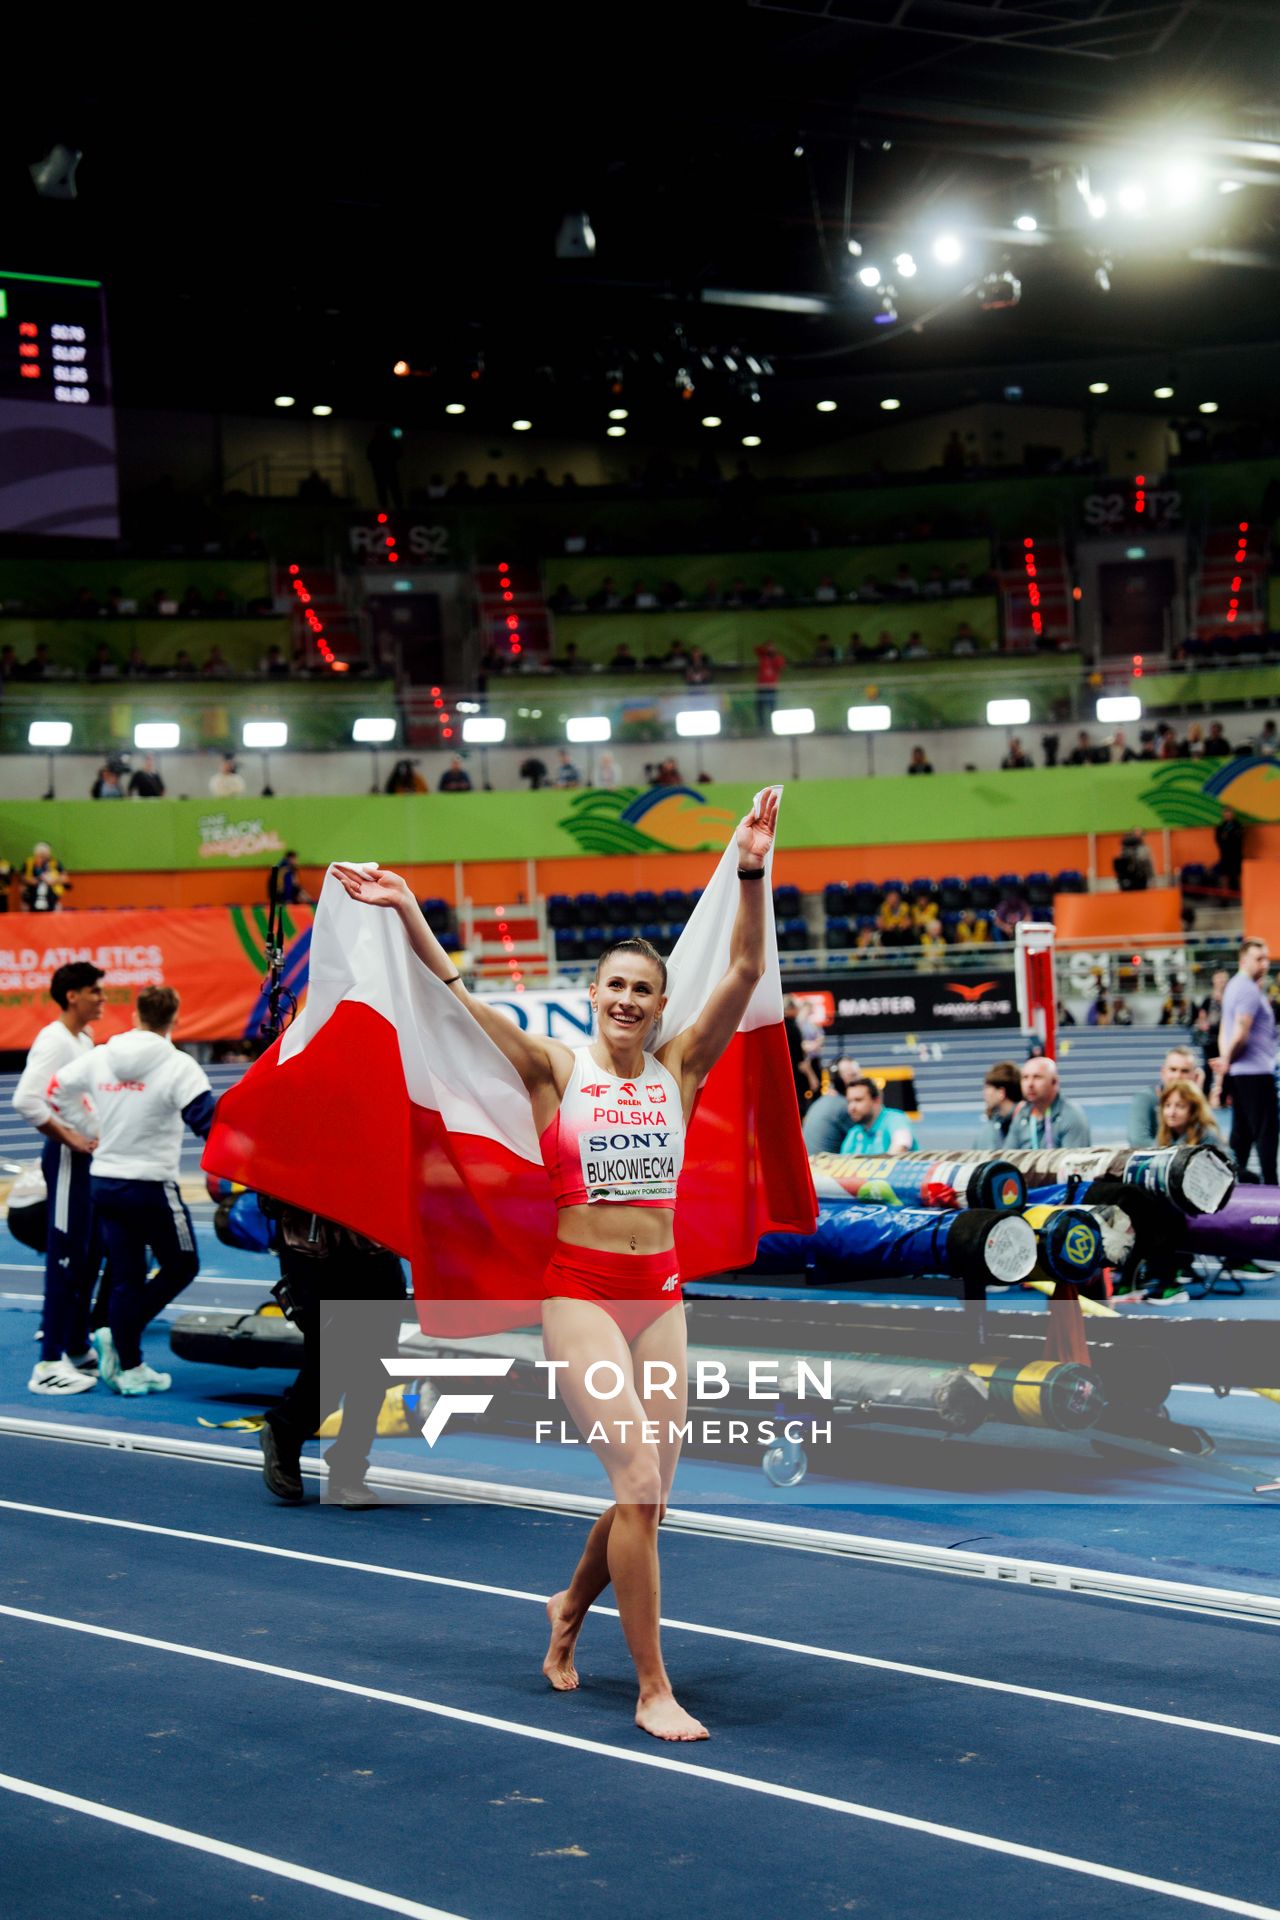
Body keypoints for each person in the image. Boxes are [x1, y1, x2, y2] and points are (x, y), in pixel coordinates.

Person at [332, 788, 781, 1743]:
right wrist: (407, 907)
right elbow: (455, 997)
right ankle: (652, 1687)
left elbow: (747, 966)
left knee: (649, 1498)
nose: (627, 1001)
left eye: (643, 991)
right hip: (581, 1295)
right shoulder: (553, 1070)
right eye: (615, 986)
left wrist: (750, 867)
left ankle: (569, 1605)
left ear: (661, 1005)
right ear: (592, 992)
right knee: (638, 1485)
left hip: (661, 1297)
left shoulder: (682, 1068)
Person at [49, 986, 215, 1397]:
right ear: (175, 1019)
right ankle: (121, 1332)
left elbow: (55, 1089)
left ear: (136, 1015)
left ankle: (131, 1366)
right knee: (183, 1265)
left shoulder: (101, 1055)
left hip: (105, 1182)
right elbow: (206, 1122)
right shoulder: (179, 1065)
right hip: (151, 1184)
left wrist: (88, 1127)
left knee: (127, 1276)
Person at [12, 962, 106, 1395]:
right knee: (65, 1256)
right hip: (68, 1160)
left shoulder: (83, 1039)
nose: (102, 998)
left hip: (89, 1162)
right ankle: (48, 1363)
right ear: (72, 996)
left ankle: (76, 1345)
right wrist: (71, 1138)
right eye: (95, 991)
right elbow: (26, 1101)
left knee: (90, 1254)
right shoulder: (54, 1040)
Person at [1215, 937, 1277, 1183]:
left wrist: (1226, 1063)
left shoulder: (1234, 986)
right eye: (1258, 959)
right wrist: (1227, 1061)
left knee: (1242, 1132)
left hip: (1241, 1071)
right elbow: (1240, 1033)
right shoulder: (1248, 989)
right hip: (1255, 1072)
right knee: (1266, 1131)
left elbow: (1225, 1030)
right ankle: (1271, 1186)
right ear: (1243, 960)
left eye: (1266, 959)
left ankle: (1233, 1182)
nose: (1265, 964)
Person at [1005, 1056, 1091, 1150]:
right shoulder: (1022, 1114)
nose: (1030, 1084)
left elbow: (1073, 1158)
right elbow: (1008, 1154)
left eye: (1037, 1077)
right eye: (1025, 1077)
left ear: (1054, 1082)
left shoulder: (1071, 1116)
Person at [1127, 1045, 1203, 1146]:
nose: (1178, 1076)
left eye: (1185, 1071)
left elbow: (1209, 1138)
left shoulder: (1197, 1101)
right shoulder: (1146, 1099)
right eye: (1173, 1069)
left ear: (1195, 1076)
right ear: (1163, 1072)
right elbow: (1139, 1142)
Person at [838, 1076, 918, 1156]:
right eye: (849, 1102)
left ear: (876, 1100)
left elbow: (901, 1146)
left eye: (858, 1100)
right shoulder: (854, 1132)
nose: (851, 1107)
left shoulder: (895, 1119)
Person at [801, 1055, 863, 1154]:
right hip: (825, 1163)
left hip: (813, 1162)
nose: (860, 1080)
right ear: (838, 1080)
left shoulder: (822, 1101)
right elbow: (863, 1139)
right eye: (853, 1075)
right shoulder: (844, 1107)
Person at [1156, 1079, 1221, 1149]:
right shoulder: (1164, 1134)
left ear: (1194, 1110)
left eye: (1180, 1106)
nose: (1171, 1113)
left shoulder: (1207, 1136)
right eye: (1167, 1105)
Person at [973, 1061, 1022, 1148]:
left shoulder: (1025, 1122)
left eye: (987, 1088)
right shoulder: (995, 1122)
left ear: (1001, 1093)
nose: (984, 1093)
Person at [21, 843, 70, 912]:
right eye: (41, 855)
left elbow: (65, 878)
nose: (43, 858)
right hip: (33, 896)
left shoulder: (54, 862)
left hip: (51, 897)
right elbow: (23, 878)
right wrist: (35, 880)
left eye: (45, 855)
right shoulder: (29, 862)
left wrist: (53, 880)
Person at [1215, 805, 1245, 894]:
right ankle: (1225, 895)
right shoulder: (1221, 827)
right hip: (1225, 854)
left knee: (1239, 873)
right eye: (1226, 813)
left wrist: (1230, 836)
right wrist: (1225, 838)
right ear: (1223, 814)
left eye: (1230, 813)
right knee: (1224, 874)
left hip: (1236, 853)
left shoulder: (1238, 825)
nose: (1228, 815)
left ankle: (1243, 895)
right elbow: (1219, 840)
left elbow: (1240, 837)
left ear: (1233, 814)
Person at [753, 641, 784, 726]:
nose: (770, 649)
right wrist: (765, 648)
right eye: (768, 647)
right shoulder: (763, 656)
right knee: (760, 709)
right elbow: (756, 648)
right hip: (761, 687)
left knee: (772, 708)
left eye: (772, 647)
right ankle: (761, 726)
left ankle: (775, 726)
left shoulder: (778, 658)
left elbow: (780, 666)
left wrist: (773, 654)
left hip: (771, 688)